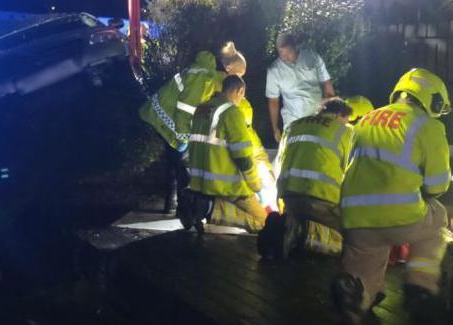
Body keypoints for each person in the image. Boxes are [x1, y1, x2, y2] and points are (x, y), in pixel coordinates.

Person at [331, 68, 451, 324]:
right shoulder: (429, 125)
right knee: (438, 217)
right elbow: (437, 186)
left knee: (365, 271)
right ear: (434, 99)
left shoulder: (365, 120)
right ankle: (421, 287)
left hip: (355, 218)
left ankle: (355, 297)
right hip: (402, 216)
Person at [139, 42, 246, 213]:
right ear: (229, 68)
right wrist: (183, 137)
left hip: (166, 114)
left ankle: (175, 204)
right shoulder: (202, 77)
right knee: (180, 162)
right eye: (239, 75)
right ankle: (183, 207)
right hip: (166, 116)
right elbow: (185, 109)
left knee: (176, 162)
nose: (239, 81)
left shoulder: (209, 76)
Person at [188, 75, 268, 232]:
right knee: (264, 222)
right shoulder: (232, 112)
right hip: (226, 186)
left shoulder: (201, 109)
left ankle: (201, 205)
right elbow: (243, 157)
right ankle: (209, 209)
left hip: (201, 183)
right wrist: (256, 186)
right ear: (240, 90)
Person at [276, 98, 354, 258]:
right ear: (340, 113)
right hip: (323, 202)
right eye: (346, 119)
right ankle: (300, 233)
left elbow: (280, 161)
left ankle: (293, 228)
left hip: (289, 199)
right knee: (356, 244)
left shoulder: (293, 126)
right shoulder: (345, 132)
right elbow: (354, 171)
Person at [266, 32, 335, 143]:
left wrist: (333, 112)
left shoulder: (312, 58)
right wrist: (275, 128)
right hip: (293, 121)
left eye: (288, 52)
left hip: (317, 117)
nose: (284, 57)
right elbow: (273, 101)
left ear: (295, 47)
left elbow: (326, 84)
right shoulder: (274, 70)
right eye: (281, 53)